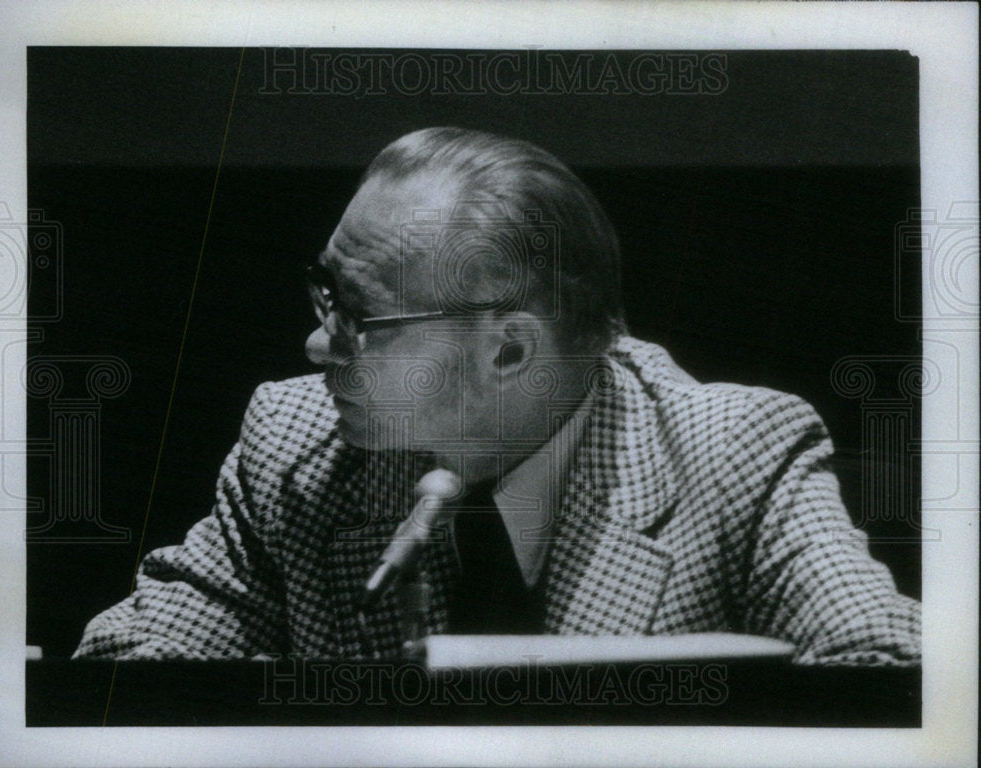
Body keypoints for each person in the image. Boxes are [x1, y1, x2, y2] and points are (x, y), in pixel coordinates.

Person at [74, 127, 920, 665]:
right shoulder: (294, 440)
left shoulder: (735, 453)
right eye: (325, 294)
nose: (315, 345)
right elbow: (126, 665)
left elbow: (887, 670)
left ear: (509, 347)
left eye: (360, 316)